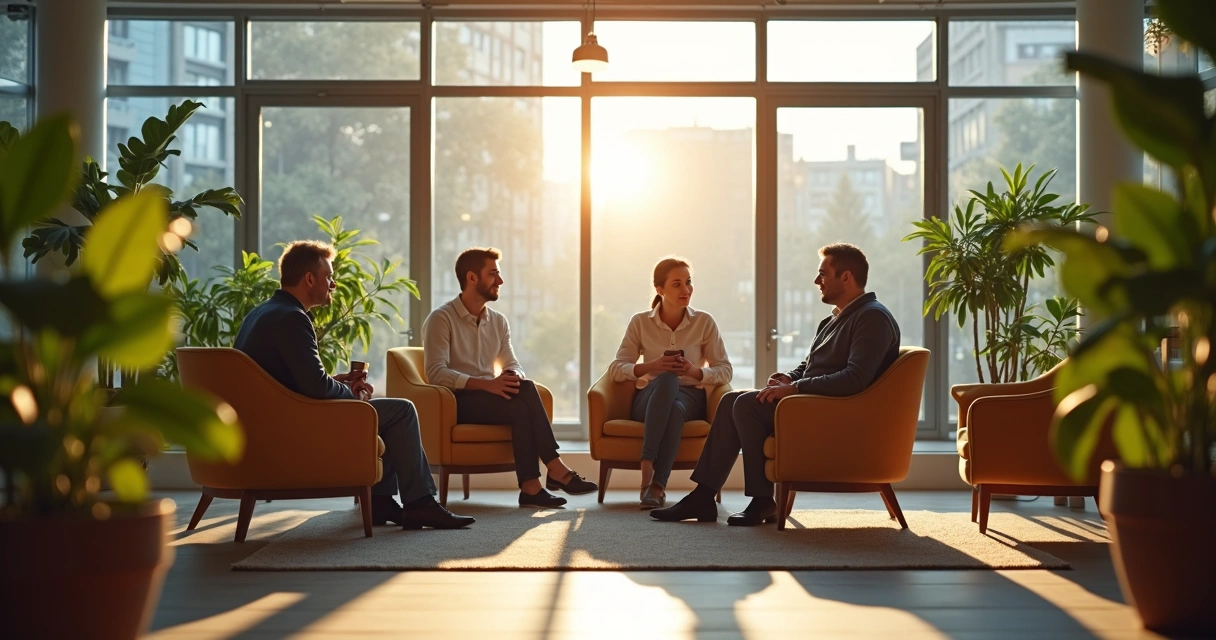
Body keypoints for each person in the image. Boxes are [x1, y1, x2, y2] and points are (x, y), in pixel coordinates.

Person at [651, 243, 900, 526]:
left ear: (846, 277)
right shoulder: (833, 321)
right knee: (732, 399)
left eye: (822, 273)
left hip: (836, 414)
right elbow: (809, 367)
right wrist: (789, 378)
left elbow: (855, 378)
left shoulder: (872, 317)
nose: (816, 281)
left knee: (747, 405)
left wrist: (794, 389)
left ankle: (761, 500)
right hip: (814, 403)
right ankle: (704, 496)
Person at [234, 240, 474, 530]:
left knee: (383, 413)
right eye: (328, 277)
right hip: (294, 426)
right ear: (309, 279)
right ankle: (421, 504)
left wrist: (336, 381)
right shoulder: (292, 318)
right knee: (402, 411)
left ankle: (382, 502)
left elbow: (285, 381)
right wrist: (351, 394)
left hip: (276, 421)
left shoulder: (261, 313)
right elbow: (316, 390)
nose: (333, 285)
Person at [422, 247, 598, 508]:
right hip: (456, 403)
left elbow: (512, 362)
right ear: (472, 278)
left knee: (522, 397)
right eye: (493, 274)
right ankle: (556, 470)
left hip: (490, 399)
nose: (500, 281)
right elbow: (435, 373)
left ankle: (531, 488)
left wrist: (512, 375)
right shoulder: (441, 319)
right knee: (524, 395)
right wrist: (487, 384)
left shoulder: (499, 321)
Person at [608, 257, 732, 509]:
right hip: (649, 399)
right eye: (677, 284)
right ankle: (651, 476)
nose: (686, 290)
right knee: (665, 381)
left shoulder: (704, 322)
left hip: (691, 399)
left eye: (688, 282)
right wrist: (652, 366)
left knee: (675, 406)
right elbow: (616, 369)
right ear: (659, 289)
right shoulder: (640, 322)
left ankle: (653, 483)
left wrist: (695, 372)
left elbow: (725, 370)